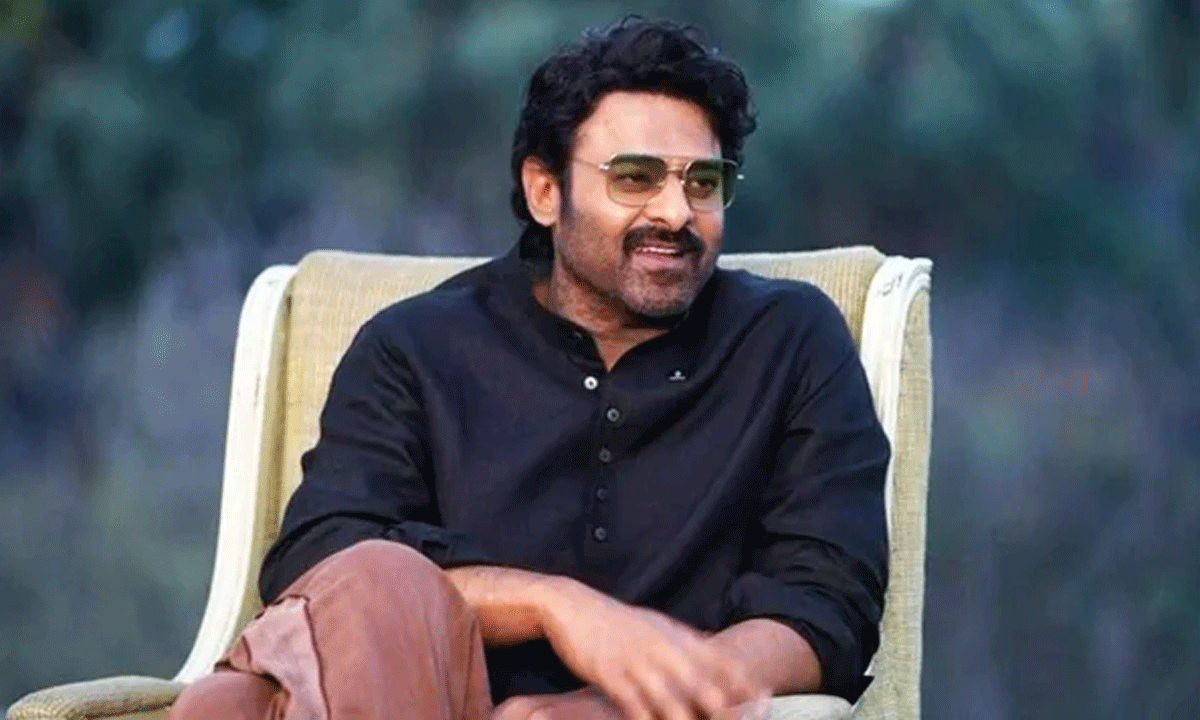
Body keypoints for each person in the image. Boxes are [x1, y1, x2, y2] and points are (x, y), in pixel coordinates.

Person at [167, 15, 889, 720]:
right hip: (420, 695)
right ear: (546, 191)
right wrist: (552, 605)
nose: (676, 211)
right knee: (326, 620)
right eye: (635, 177)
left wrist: (618, 706)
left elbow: (826, 604)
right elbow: (319, 564)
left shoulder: (789, 340)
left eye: (703, 182)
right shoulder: (414, 346)